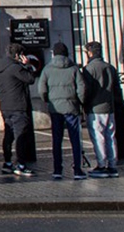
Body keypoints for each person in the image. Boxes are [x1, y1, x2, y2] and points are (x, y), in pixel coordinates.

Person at [38, 41, 88, 180]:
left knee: (57, 140)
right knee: (75, 140)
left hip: (55, 108)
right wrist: (80, 102)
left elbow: (41, 90)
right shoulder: (74, 68)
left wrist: (48, 100)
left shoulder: (47, 69)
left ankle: (57, 169)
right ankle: (77, 170)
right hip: (71, 106)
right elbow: (81, 88)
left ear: (54, 53)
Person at [0, 42, 37, 177]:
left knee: (8, 135)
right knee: (20, 135)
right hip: (18, 105)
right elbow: (30, 79)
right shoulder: (15, 68)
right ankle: (21, 164)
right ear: (18, 55)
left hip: (5, 104)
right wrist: (28, 65)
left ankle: (7, 162)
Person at [82, 41, 119, 178]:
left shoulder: (89, 69)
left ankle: (101, 165)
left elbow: (86, 90)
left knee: (99, 137)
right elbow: (116, 89)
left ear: (90, 52)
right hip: (109, 107)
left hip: (95, 107)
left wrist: (84, 104)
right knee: (110, 136)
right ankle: (112, 165)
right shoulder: (110, 67)